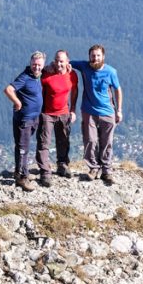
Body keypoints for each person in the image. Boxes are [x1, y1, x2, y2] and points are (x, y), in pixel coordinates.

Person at [70, 44, 123, 184]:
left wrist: (119, 110)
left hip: (107, 112)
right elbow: (65, 61)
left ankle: (106, 170)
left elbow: (118, 90)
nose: (95, 58)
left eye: (98, 55)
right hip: (89, 111)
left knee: (107, 142)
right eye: (93, 56)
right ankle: (93, 167)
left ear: (103, 57)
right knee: (90, 141)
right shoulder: (84, 66)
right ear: (89, 57)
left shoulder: (111, 72)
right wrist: (53, 65)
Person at [3, 51, 45, 191]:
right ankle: (22, 178)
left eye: (39, 65)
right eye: (34, 64)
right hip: (25, 119)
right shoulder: (25, 77)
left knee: (21, 146)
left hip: (34, 117)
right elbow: (8, 89)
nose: (36, 67)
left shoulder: (38, 75)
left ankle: (18, 171)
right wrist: (17, 102)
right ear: (30, 63)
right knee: (23, 148)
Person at [36, 50, 79, 186]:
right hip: (47, 113)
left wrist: (72, 110)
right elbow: (37, 90)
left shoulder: (72, 74)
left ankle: (62, 165)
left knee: (64, 141)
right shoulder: (46, 73)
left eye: (62, 61)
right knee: (44, 143)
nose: (59, 63)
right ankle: (45, 172)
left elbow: (74, 92)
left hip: (64, 112)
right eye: (56, 60)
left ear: (67, 62)